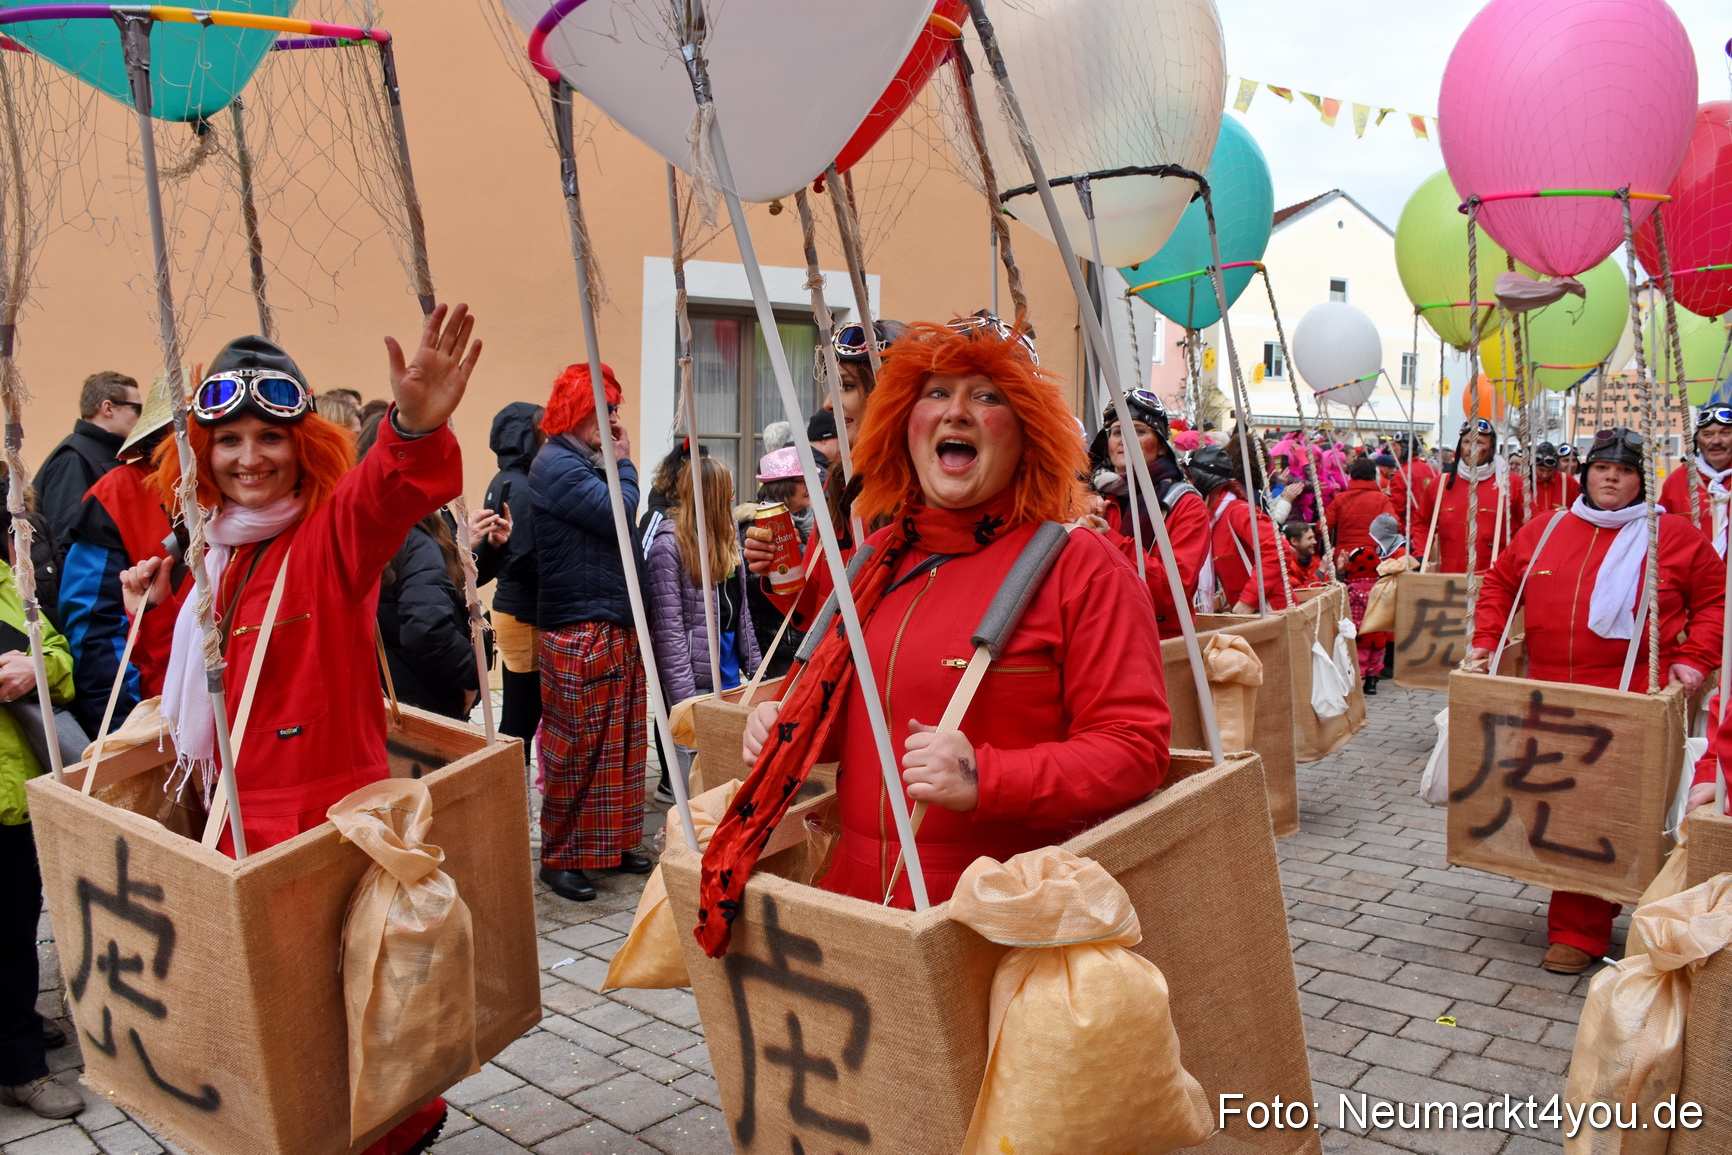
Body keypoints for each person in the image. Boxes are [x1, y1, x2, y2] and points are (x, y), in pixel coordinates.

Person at [120, 308, 478, 1155]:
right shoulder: (212, 550)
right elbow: (190, 702)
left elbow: (382, 494)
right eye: (228, 438)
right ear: (200, 451)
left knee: (340, 1032)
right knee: (276, 1036)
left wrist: (413, 426)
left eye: (270, 437)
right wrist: (161, 598)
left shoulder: (327, 538)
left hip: (324, 838)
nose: (249, 457)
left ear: (304, 445)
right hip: (233, 829)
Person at [720, 320, 1170, 920]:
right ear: (905, 425)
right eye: (936, 393)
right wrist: (784, 723)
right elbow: (842, 722)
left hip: (1001, 912)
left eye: (987, 396)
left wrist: (990, 776)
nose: (956, 411)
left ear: (1028, 433)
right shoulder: (872, 562)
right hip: (856, 903)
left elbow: (1136, 751)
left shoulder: (1083, 568)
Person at [1467, 427, 1725, 974]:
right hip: (1551, 694)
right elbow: (1499, 584)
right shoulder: (1546, 527)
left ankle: (1577, 930)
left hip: (1632, 700)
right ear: (1585, 473)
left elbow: (1715, 600)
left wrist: (1696, 658)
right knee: (1560, 810)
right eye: (1604, 467)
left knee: (1596, 815)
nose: (1613, 477)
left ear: (1642, 480)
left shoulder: (1672, 535)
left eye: (1627, 470)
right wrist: (1486, 641)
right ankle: (1591, 902)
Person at [530, 362, 654, 904]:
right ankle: (560, 857)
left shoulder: (580, 459)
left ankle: (612, 843)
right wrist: (625, 467)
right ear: (581, 414)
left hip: (606, 619)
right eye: (606, 410)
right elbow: (620, 514)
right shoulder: (557, 464)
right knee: (577, 749)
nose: (614, 419)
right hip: (580, 627)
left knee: (622, 746)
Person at [57, 385, 186, 735]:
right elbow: (93, 625)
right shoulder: (120, 492)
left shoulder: (248, 494)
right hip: (152, 710)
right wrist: (120, 723)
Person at [0, 548, 77, 1121]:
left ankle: (16, 1050)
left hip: (13, 796)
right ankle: (18, 1055)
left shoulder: (3, 576)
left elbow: (56, 653)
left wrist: (36, 668)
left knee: (13, 928)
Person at [646, 456, 761, 790]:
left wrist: (755, 666)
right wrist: (684, 700)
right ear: (713, 495)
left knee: (720, 762)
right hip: (692, 675)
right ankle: (684, 831)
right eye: (727, 491)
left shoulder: (727, 539)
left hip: (724, 667)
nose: (732, 498)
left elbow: (741, 612)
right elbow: (668, 630)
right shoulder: (668, 547)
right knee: (691, 763)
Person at [357, 414, 478, 721]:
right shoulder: (413, 536)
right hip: (420, 702)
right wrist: (469, 677)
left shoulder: (353, 525)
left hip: (375, 694)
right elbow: (426, 628)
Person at [1092, 390, 1208, 637]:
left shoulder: (1185, 504)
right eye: (1117, 432)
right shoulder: (1094, 497)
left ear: (1163, 447)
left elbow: (1172, 589)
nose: (1125, 439)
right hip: (1099, 634)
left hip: (1157, 640)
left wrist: (1109, 541)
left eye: (1139, 431)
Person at [479, 402, 543, 762]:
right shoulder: (520, 486)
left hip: (513, 610)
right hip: (523, 613)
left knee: (519, 716)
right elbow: (519, 556)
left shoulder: (505, 479)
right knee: (521, 720)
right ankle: (510, 798)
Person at [34, 371, 141, 549]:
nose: (140, 417)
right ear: (108, 408)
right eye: (137, 409)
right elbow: (65, 540)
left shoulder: (99, 452)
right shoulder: (73, 456)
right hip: (80, 576)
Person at [1188, 443, 1290, 613]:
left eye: (1189, 478)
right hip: (1251, 615)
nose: (1187, 485)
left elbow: (1279, 550)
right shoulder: (1213, 519)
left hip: (1270, 612)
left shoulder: (1237, 512)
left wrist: (1249, 600)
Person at [1414, 419, 1523, 573]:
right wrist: (1420, 555)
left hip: (1497, 579)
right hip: (1450, 580)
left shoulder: (1512, 484)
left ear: (1491, 448)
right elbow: (1422, 523)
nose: (1470, 448)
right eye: (1466, 442)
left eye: (1478, 443)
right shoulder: (1440, 484)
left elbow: (1530, 526)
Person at [1661, 406, 1732, 553]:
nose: (1716, 441)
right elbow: (1662, 534)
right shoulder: (1679, 479)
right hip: (1695, 573)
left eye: (1725, 433)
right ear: (1697, 441)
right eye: (1707, 434)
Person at [1327, 457, 1397, 567]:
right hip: (1372, 556)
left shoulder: (1340, 499)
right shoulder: (1382, 499)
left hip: (1344, 557)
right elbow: (1394, 524)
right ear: (1374, 476)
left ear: (1352, 475)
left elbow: (1323, 527)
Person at [1385, 432, 1439, 543]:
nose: (1390, 449)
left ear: (1405, 447)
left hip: (1413, 533)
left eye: (1395, 445)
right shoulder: (1433, 471)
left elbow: (1396, 509)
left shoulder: (1402, 474)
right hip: (1435, 531)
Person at [1528, 442, 1578, 515]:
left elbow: (1582, 508)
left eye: (1549, 471)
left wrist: (1569, 512)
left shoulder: (1567, 481)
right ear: (1533, 466)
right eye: (1541, 470)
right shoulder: (1524, 482)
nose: (1545, 475)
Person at [1282, 521, 1325, 589]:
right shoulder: (1285, 565)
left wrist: (1340, 573)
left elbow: (1329, 587)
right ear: (1294, 541)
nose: (1315, 542)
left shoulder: (1316, 561)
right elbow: (1300, 593)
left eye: (1314, 537)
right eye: (1309, 538)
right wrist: (1320, 572)